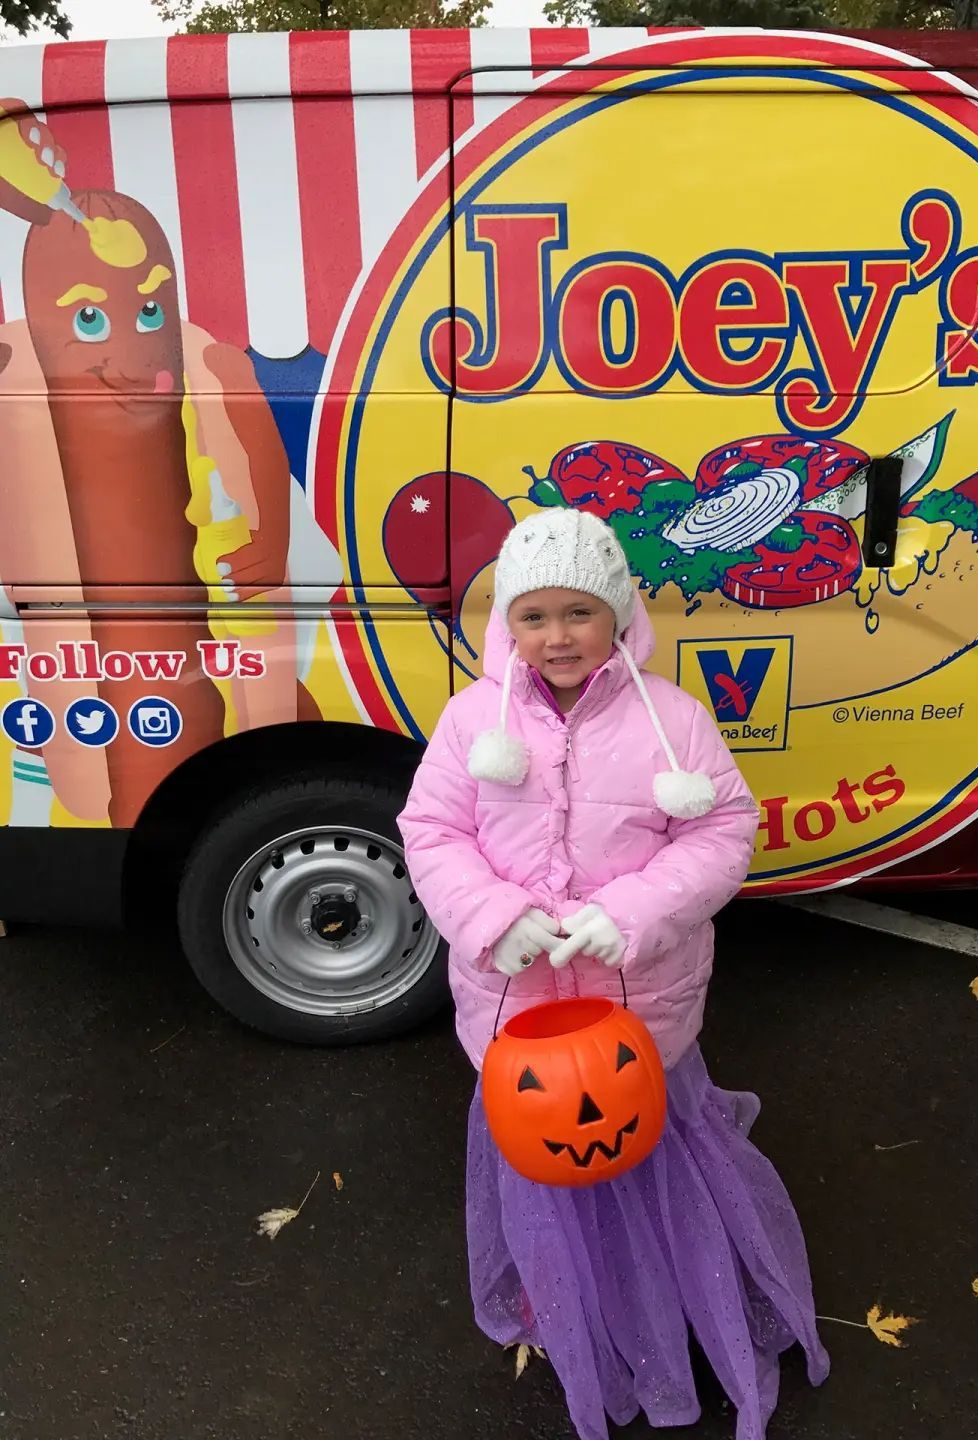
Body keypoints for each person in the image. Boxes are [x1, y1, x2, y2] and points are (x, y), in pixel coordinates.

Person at [398, 508, 829, 1440]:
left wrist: (628, 913)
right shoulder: (475, 720)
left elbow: (722, 832)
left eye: (580, 614)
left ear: (619, 612)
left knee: (652, 1162)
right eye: (534, 616)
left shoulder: (671, 720)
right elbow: (430, 831)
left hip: (639, 1010)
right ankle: (577, 1302)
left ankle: (674, 1296)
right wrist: (490, 916)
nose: (558, 637)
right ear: (506, 622)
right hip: (520, 1016)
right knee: (550, 1177)